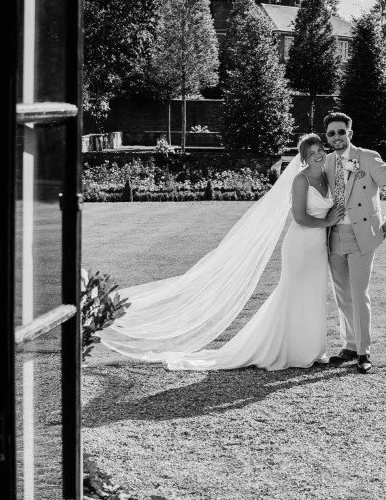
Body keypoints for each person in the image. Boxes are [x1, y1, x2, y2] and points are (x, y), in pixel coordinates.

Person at [102, 132, 341, 371]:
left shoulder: (326, 176)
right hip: (301, 245)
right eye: (312, 153)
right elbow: (299, 217)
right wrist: (327, 222)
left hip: (318, 247)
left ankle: (312, 349)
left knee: (314, 294)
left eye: (320, 150)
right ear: (304, 158)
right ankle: (292, 351)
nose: (319, 155)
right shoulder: (301, 180)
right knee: (294, 294)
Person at [322, 110, 386, 373]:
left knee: (359, 293)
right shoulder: (325, 162)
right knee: (342, 295)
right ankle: (349, 345)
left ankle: (363, 352)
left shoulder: (366, 157)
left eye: (341, 132)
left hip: (362, 235)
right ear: (327, 136)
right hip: (334, 236)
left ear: (350, 133)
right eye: (331, 133)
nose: (337, 137)